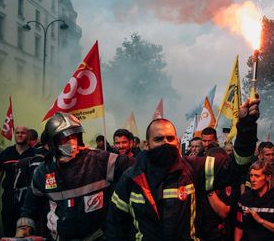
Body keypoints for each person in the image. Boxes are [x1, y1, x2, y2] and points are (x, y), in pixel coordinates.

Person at [106, 97, 259, 240]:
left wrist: (246, 128)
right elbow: (115, 226)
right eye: (159, 139)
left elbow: (237, 165)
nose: (166, 142)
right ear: (147, 144)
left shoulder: (194, 168)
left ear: (178, 142)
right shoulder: (131, 177)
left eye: (170, 138)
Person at [16, 112, 133, 240]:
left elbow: (137, 166)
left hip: (97, 237)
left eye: (74, 136)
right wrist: (23, 229)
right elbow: (29, 206)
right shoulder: (43, 171)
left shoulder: (98, 160)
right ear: (53, 142)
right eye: (65, 138)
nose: (72, 142)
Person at [0, 126, 36, 237]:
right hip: (9, 196)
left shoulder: (34, 154)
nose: (20, 135)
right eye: (17, 132)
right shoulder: (6, 153)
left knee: (26, 230)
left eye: (23, 133)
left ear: (28, 135)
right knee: (8, 228)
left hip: (27, 198)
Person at [235, 161, 274, 241]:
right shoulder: (245, 198)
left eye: (257, 176)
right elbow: (239, 227)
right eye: (251, 175)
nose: (252, 179)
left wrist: (260, 220)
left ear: (268, 177)